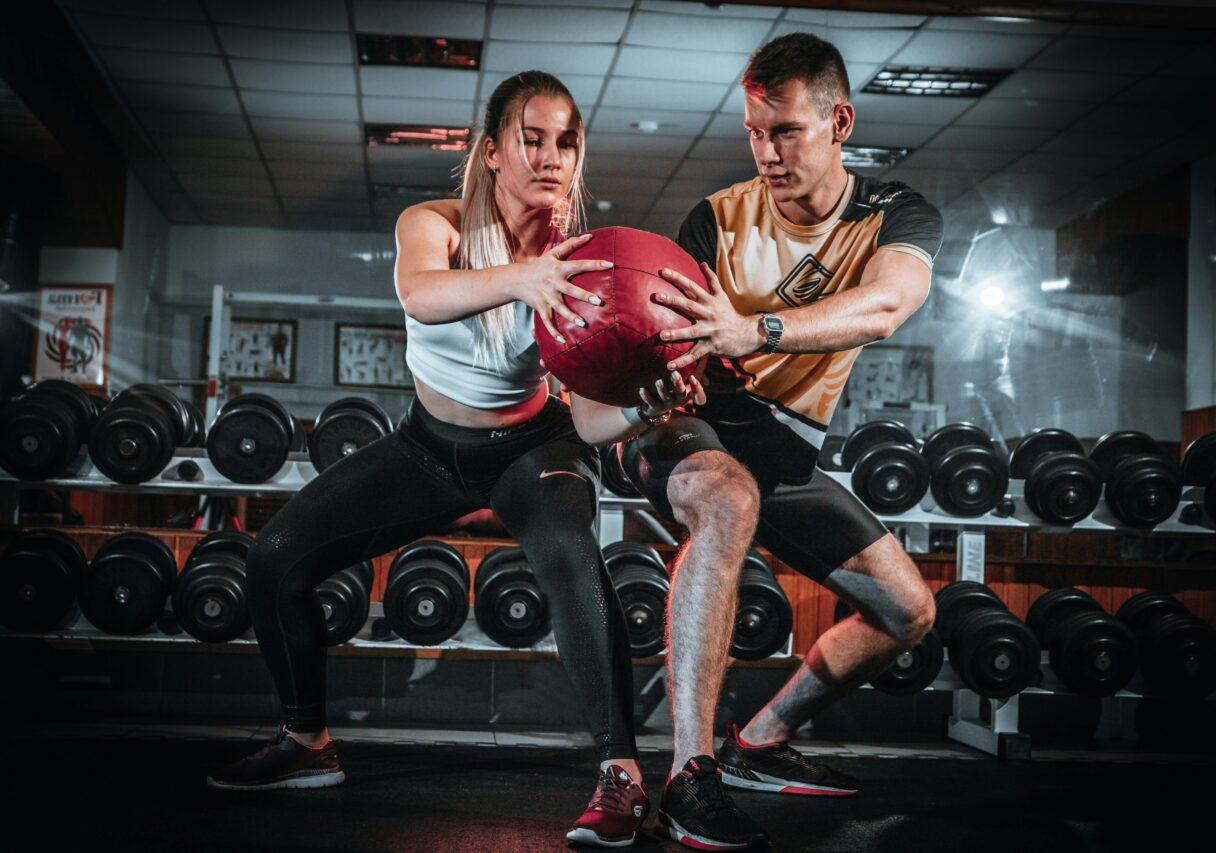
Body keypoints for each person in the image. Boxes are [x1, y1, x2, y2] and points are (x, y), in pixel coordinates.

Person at [207, 70, 697, 849]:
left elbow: (596, 418)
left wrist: (650, 401)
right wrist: (523, 277)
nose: (550, 156)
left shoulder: (584, 262)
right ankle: (307, 743)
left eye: (565, 140)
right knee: (273, 559)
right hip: (428, 448)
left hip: (534, 449)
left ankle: (623, 776)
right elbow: (421, 294)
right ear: (492, 151)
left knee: (576, 556)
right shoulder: (431, 223)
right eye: (530, 138)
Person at [590, 33, 944, 849]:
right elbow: (672, 340)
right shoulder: (717, 216)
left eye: (784, 129)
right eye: (754, 131)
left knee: (908, 609)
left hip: (780, 444)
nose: (767, 151)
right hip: (688, 423)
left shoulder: (894, 214)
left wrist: (758, 328)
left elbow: (886, 305)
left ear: (839, 121)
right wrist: (667, 369)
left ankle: (760, 740)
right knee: (727, 496)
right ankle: (691, 773)